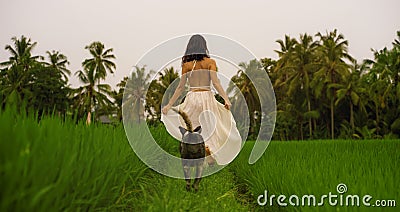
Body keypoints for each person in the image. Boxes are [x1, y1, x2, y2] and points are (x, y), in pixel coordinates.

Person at [161, 34, 241, 166]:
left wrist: (169, 105)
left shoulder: (186, 64)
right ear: (204, 47)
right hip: (207, 97)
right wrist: (226, 99)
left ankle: (199, 154)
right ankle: (209, 151)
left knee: (193, 130)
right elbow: (216, 83)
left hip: (192, 98)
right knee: (209, 128)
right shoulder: (210, 62)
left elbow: (180, 87)